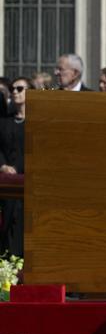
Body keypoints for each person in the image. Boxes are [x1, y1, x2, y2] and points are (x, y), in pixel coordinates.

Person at [0, 78, 31, 257]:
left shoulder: (37, 121)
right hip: (9, 185)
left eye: (20, 88)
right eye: (12, 88)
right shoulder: (5, 122)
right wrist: (3, 165)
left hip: (29, 184)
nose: (14, 92)